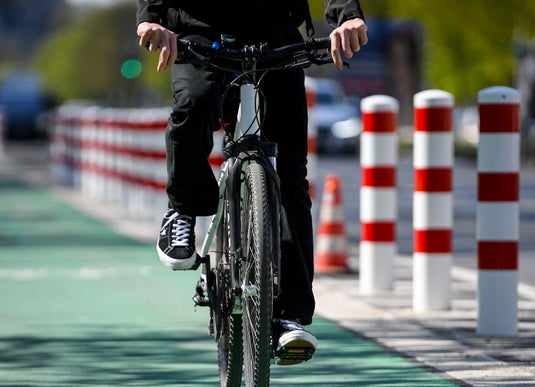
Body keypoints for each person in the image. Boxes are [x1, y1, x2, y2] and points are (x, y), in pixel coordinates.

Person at [136, 1, 368, 365]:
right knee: (193, 106)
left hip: (275, 30)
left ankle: (289, 314)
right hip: (199, 29)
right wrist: (150, 19)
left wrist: (347, 15)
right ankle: (182, 209)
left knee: (290, 174)